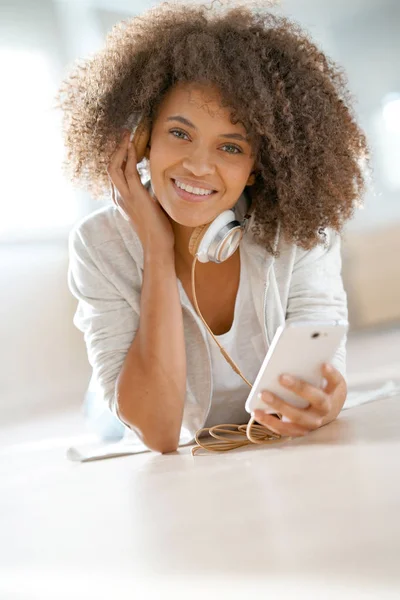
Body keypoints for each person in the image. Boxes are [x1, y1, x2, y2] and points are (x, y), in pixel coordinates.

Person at [57, 2, 369, 453]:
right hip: (122, 408)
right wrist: (157, 250)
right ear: (143, 137)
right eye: (180, 134)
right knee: (104, 419)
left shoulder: (301, 233)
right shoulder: (98, 244)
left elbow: (324, 373)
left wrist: (330, 400)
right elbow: (160, 433)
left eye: (230, 147)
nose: (199, 166)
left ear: (258, 164)